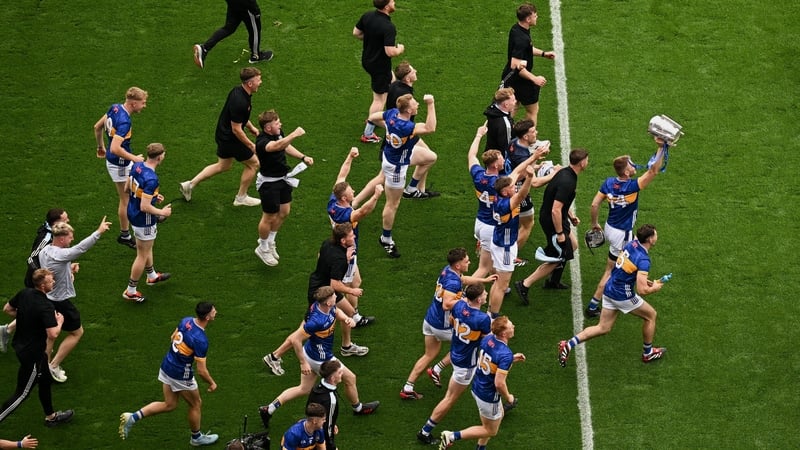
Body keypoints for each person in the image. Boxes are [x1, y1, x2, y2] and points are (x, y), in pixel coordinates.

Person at [259, 287, 379, 431]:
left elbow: (336, 311)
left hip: (311, 353)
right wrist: (303, 362)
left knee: (303, 389)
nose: (337, 297)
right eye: (334, 297)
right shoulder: (316, 321)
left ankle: (269, 409)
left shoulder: (323, 306)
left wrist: (346, 319)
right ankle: (358, 408)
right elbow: (295, 339)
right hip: (322, 360)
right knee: (350, 378)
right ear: (327, 302)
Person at [262, 224, 372, 378]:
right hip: (321, 294)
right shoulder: (339, 258)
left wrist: (341, 260)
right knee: (304, 330)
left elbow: (320, 256)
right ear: (342, 240)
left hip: (323, 287)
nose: (354, 236)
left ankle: (346, 346)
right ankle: (274, 356)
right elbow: (335, 284)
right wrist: (352, 290)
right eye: (351, 235)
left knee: (350, 312)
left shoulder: (328, 243)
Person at [559, 224, 667, 366]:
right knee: (651, 315)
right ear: (650, 239)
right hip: (623, 295)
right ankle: (648, 353)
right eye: (655, 235)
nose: (657, 237)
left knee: (603, 328)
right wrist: (655, 287)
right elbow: (642, 290)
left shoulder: (632, 244)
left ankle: (568, 344)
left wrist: (641, 279)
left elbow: (627, 267)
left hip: (609, 289)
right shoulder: (644, 260)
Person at [119, 302, 219, 446]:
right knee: (196, 404)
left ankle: (133, 417)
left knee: (170, 404)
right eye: (213, 310)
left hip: (167, 365)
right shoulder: (201, 340)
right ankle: (196, 438)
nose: (215, 311)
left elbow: (173, 337)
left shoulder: (186, 320)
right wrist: (212, 383)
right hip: (180, 374)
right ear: (208, 317)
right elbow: (202, 371)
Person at [400, 248, 496, 400]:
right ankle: (437, 369)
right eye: (466, 261)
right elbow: (447, 304)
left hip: (430, 319)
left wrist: (483, 280)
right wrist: (466, 299)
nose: (469, 262)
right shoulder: (452, 282)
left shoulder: (448, 271)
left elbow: (462, 280)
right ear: (458, 265)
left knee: (429, 354)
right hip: (441, 324)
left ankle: (408, 386)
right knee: (466, 344)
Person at [585, 139, 666, 318]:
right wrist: (661, 147)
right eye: (630, 164)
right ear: (626, 170)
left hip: (610, 228)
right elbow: (653, 170)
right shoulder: (632, 186)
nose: (633, 164)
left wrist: (594, 224)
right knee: (617, 267)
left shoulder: (608, 183)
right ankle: (624, 293)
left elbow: (594, 204)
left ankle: (593, 304)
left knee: (611, 267)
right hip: (623, 233)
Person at [416, 284, 492, 446]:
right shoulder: (482, 318)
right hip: (466, 364)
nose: (486, 294)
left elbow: (452, 318)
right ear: (479, 299)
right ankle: (425, 431)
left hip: (456, 352)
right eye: (484, 293)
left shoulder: (458, 305)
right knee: (450, 398)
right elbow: (488, 340)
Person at [39, 217, 112, 383]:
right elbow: (80, 249)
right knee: (77, 332)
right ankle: (53, 366)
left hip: (47, 299)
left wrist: (68, 269)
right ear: (62, 238)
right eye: (70, 236)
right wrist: (98, 232)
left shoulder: (45, 251)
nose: (72, 239)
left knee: (50, 336)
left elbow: (53, 270)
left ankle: (41, 367)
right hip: (60, 302)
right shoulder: (61, 254)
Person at [179, 67, 264, 207]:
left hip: (222, 135)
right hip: (232, 140)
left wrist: (251, 127)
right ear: (250, 83)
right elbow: (236, 129)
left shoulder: (237, 91)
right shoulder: (241, 102)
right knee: (254, 164)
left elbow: (238, 118)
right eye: (258, 80)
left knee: (223, 165)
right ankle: (241, 197)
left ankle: (190, 185)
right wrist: (251, 145)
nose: (260, 82)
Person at [0, 269, 73, 428]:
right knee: (22, 394)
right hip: (33, 355)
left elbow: (8, 309)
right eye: (51, 280)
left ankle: (51, 417)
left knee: (45, 380)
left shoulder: (25, 293)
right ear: (42, 285)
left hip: (22, 346)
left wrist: (27, 317)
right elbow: (53, 334)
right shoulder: (46, 306)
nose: (53, 282)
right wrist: (59, 321)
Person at [515, 148, 590, 303]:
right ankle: (524, 284)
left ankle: (553, 281)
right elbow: (556, 209)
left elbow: (561, 202)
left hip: (557, 217)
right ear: (582, 163)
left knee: (572, 246)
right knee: (558, 256)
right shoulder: (568, 181)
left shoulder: (565, 172)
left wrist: (571, 216)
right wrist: (560, 233)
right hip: (553, 221)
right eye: (587, 160)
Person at [439, 316, 526, 449]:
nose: (513, 326)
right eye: (510, 326)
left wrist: (511, 359)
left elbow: (491, 360)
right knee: (490, 430)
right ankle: (451, 436)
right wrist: (508, 397)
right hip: (489, 396)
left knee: (497, 417)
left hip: (477, 387)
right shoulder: (505, 354)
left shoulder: (488, 339)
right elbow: (499, 383)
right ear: (503, 333)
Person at [368, 93, 438, 258]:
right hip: (397, 167)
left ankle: (411, 189)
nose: (417, 105)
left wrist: (387, 128)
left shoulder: (392, 113)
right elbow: (430, 128)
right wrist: (431, 103)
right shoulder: (405, 127)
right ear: (407, 110)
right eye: (415, 104)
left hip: (396, 154)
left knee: (430, 157)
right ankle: (385, 238)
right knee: (392, 204)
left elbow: (373, 116)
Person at [486, 148, 550, 316]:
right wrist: (529, 177)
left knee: (499, 281)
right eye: (512, 187)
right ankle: (493, 316)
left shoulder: (500, 191)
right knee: (502, 284)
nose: (515, 187)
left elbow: (515, 171)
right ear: (506, 191)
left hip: (500, 241)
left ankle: (490, 311)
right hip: (505, 247)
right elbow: (522, 195)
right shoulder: (506, 204)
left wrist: (534, 157)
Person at [253, 110, 313, 266]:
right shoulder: (262, 142)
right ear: (268, 128)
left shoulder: (278, 134)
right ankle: (263, 247)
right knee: (269, 217)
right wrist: (295, 134)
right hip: (269, 184)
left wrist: (302, 157)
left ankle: (271, 241)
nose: (280, 124)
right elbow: (277, 146)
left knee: (284, 211)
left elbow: (285, 146)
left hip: (283, 179)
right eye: (277, 123)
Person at [93, 86, 148, 249]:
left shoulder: (114, 107)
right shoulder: (125, 121)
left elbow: (97, 127)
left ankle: (148, 209)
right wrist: (135, 159)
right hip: (120, 164)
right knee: (125, 200)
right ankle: (125, 235)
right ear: (133, 103)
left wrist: (100, 147)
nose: (144, 106)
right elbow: (116, 148)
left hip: (118, 162)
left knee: (137, 185)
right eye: (142, 103)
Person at [123, 143, 173, 303]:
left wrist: (151, 197)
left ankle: (151, 275)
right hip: (143, 219)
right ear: (159, 157)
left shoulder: (137, 165)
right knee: (142, 254)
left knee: (145, 247)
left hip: (131, 211)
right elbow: (145, 207)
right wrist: (162, 212)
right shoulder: (152, 179)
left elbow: (127, 188)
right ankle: (131, 290)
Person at [353, 0, 405, 144]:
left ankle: (387, 114)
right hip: (379, 66)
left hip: (368, 60)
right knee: (379, 99)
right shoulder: (388, 27)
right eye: (392, 1)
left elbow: (356, 33)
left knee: (393, 82)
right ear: (387, 6)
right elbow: (390, 52)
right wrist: (400, 49)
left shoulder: (368, 16)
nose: (395, 2)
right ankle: (369, 131)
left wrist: (372, 39)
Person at [506, 119, 554, 263]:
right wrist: (554, 174)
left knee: (510, 220)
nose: (536, 133)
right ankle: (510, 257)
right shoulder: (522, 155)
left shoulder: (514, 142)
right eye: (533, 131)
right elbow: (534, 182)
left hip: (508, 182)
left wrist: (537, 165)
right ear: (525, 137)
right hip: (518, 189)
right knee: (528, 224)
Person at [500, 3, 555, 125]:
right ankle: (530, 141)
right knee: (532, 110)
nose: (537, 17)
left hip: (511, 79)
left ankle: (505, 136)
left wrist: (543, 54)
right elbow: (515, 64)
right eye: (535, 16)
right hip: (521, 80)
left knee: (512, 108)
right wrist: (534, 78)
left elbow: (527, 48)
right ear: (528, 19)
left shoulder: (516, 29)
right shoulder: (522, 38)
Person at [193, 0, 273, 69]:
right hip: (246, 5)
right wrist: (255, 10)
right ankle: (256, 56)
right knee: (254, 30)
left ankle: (204, 48)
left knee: (228, 28)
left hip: (233, 3)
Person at [24, 208, 69, 288]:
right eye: (65, 220)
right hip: (39, 284)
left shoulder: (55, 233)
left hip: (50, 281)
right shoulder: (46, 238)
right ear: (56, 223)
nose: (68, 221)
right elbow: (31, 259)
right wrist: (41, 274)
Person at [306, 360, 344, 450]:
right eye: (339, 372)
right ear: (332, 379)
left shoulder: (317, 387)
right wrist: (331, 446)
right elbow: (327, 427)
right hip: (321, 436)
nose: (342, 373)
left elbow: (308, 408)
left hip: (311, 428)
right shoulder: (331, 399)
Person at [483, 87, 516, 156]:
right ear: (506, 105)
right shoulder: (504, 124)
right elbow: (507, 148)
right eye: (513, 100)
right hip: (498, 161)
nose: (515, 102)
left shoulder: (493, 109)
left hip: (489, 153)